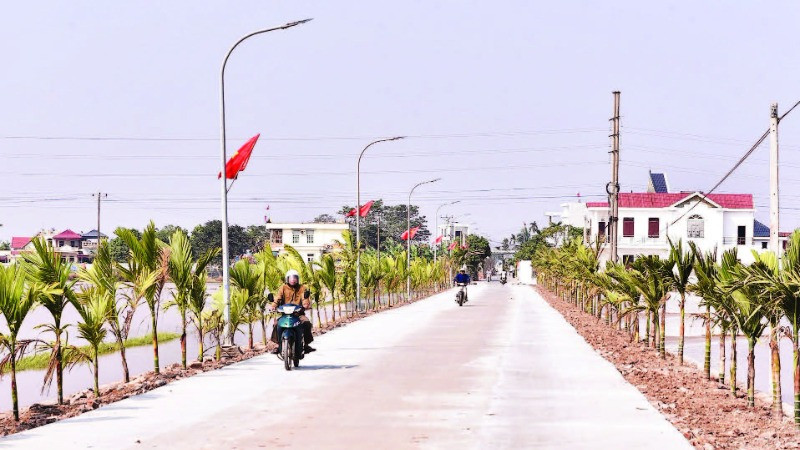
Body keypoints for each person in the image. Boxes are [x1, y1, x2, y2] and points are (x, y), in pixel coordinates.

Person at [270, 269, 315, 354]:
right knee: (276, 324)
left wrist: (305, 304)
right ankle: (278, 345)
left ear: (298, 279)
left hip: (298, 314)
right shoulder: (283, 288)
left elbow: (305, 298)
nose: (293, 279)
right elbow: (278, 298)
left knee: (306, 323)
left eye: (295, 278)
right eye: (291, 278)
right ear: (287, 279)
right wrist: (273, 306)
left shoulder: (302, 288)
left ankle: (306, 345)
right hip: (285, 315)